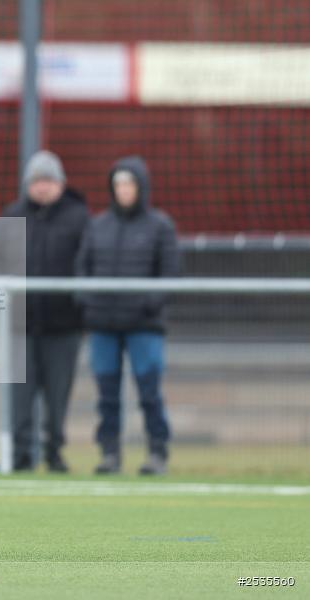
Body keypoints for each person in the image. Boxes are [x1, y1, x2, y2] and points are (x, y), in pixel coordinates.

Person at [0, 151, 89, 472]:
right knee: (20, 397)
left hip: (64, 325)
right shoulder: (11, 216)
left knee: (58, 396)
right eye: (37, 181)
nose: (42, 187)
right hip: (19, 326)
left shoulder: (79, 217)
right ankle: (19, 455)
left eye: (48, 180)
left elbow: (88, 262)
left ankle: (54, 453)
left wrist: (78, 302)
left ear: (60, 183)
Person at [76, 156, 180, 475]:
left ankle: (157, 453)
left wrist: (148, 304)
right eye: (118, 184)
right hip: (104, 326)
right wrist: (89, 303)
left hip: (144, 326)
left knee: (149, 392)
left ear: (141, 187)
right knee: (107, 396)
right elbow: (82, 269)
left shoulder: (160, 226)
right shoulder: (98, 225)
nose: (123, 190)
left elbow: (170, 275)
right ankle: (110, 454)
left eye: (129, 184)